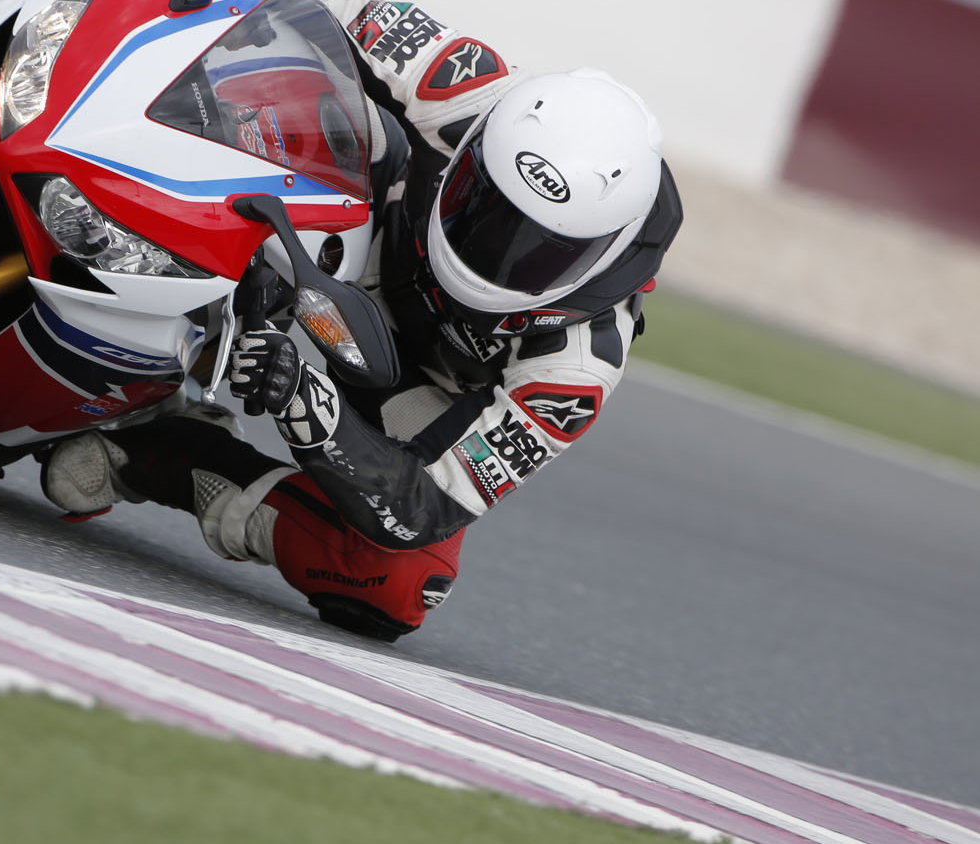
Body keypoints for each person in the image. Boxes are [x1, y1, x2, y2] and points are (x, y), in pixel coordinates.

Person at [42, 0, 684, 641]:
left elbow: (427, 507)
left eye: (542, 249)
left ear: (608, 251)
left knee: (399, 582)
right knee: (287, 80)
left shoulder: (576, 370)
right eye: (484, 205)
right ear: (479, 145)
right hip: (360, 224)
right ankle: (90, 184)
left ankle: (160, 451)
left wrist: (308, 407)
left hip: (406, 389)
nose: (495, 247)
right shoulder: (465, 81)